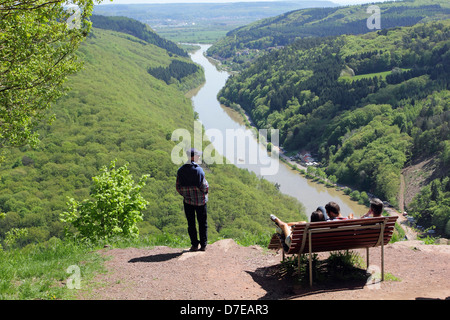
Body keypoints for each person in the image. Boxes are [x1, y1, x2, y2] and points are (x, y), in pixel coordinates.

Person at [176, 148, 209, 252]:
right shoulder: (198, 170)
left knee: (191, 224)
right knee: (202, 223)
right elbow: (205, 187)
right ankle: (203, 245)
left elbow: (178, 187)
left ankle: (194, 245)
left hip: (188, 202)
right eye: (198, 156)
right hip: (200, 202)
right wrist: (204, 193)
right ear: (193, 157)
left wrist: (186, 195)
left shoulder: (181, 170)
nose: (199, 157)